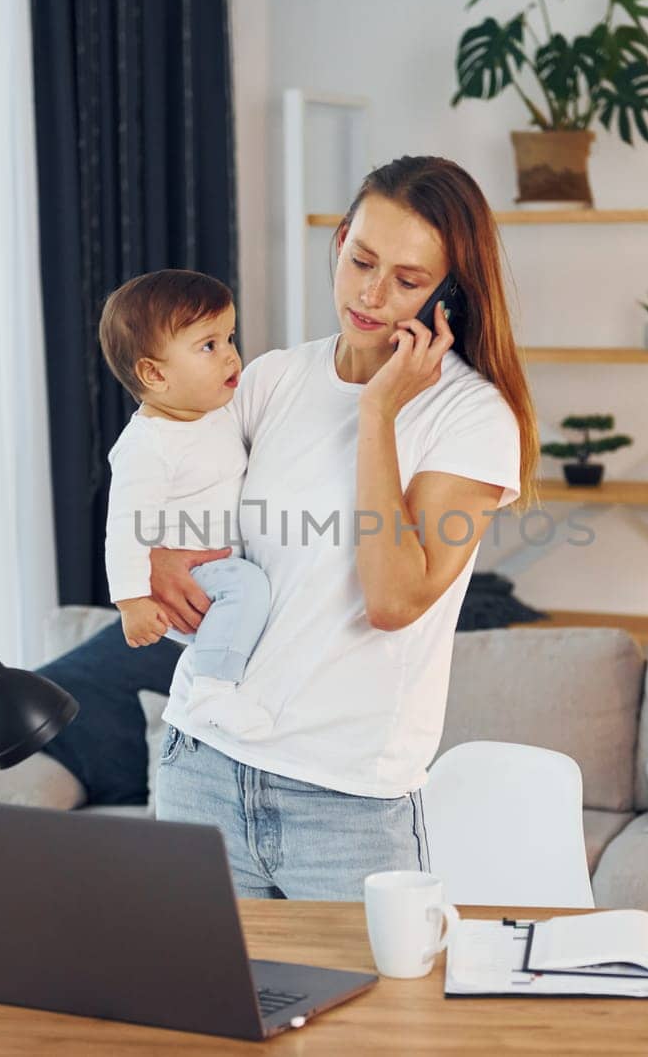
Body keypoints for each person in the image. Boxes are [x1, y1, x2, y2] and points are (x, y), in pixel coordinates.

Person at [148, 155, 540, 900]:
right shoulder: (269, 379)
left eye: (408, 279)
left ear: (450, 294)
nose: (372, 293)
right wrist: (158, 557)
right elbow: (177, 510)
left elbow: (393, 598)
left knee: (376, 1020)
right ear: (338, 245)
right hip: (201, 770)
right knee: (199, 1018)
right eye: (361, 259)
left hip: (346, 802)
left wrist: (378, 413)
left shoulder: (473, 418)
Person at [97, 269, 274, 740]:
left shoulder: (217, 413)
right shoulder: (149, 445)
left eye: (229, 337)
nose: (231, 354)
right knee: (249, 586)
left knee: (253, 591)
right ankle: (211, 693)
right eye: (208, 346)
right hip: (191, 580)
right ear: (154, 374)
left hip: (217, 568)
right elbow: (127, 527)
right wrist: (132, 601)